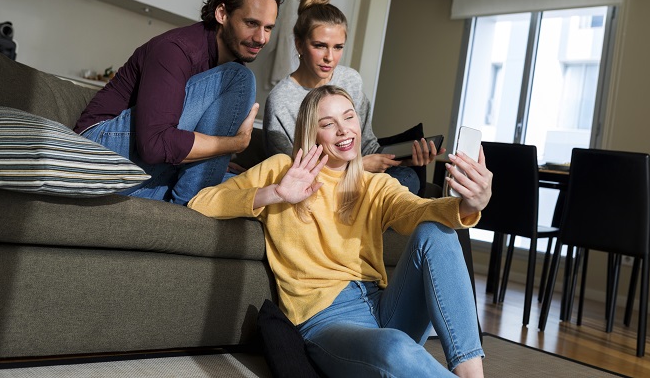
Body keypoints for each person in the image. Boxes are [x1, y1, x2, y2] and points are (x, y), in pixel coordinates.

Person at [189, 85, 491, 377]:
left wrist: (470, 204)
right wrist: (275, 194)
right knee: (395, 347)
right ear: (312, 134)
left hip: (385, 307)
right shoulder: (281, 169)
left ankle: (472, 374)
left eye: (349, 117)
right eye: (328, 123)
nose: (344, 129)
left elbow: (420, 211)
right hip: (326, 322)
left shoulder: (376, 184)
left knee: (437, 232)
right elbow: (203, 201)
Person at [73, 0, 283, 205]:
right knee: (241, 78)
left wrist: (214, 157)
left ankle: (188, 197)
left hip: (139, 167)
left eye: (268, 28)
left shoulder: (225, 68)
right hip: (95, 149)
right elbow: (153, 144)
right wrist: (233, 144)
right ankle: (192, 205)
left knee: (246, 184)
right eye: (251, 23)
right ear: (222, 13)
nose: (261, 38)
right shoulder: (176, 49)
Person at [263, 0, 445, 195]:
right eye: (320, 46)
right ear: (299, 44)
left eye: (338, 47)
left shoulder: (350, 80)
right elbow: (286, 172)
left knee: (408, 177)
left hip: (360, 178)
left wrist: (406, 158)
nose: (329, 57)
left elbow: (367, 146)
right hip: (318, 188)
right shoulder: (281, 100)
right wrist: (356, 167)